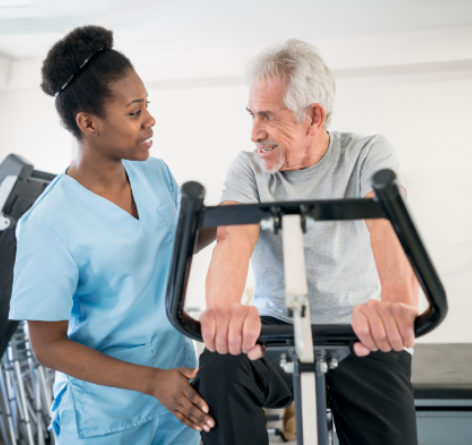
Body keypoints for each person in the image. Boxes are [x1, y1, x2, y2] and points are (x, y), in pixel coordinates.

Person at [192, 39, 419, 445]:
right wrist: (223, 312)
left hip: (359, 328)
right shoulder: (249, 168)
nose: (254, 132)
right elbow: (232, 238)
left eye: (267, 116)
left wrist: (399, 305)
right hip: (278, 327)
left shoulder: (367, 153)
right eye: (251, 115)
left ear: (313, 116)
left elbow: (388, 225)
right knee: (219, 365)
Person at [9, 25, 215, 444]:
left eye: (147, 106)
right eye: (134, 111)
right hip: (107, 418)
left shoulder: (155, 174)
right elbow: (47, 345)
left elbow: (168, 253)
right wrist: (152, 381)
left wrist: (233, 217)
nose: (150, 120)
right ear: (89, 123)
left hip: (179, 396)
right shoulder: (49, 222)